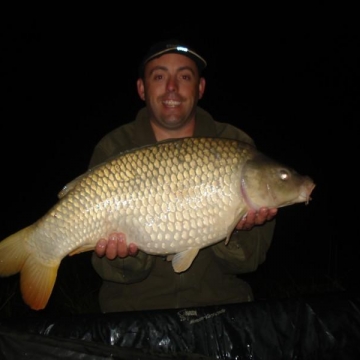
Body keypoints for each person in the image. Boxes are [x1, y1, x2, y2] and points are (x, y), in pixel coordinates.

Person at [89, 39, 278, 313]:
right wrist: (124, 258)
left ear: (200, 88)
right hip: (134, 312)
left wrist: (235, 229)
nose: (172, 87)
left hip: (222, 307)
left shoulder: (236, 145)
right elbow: (107, 270)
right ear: (142, 88)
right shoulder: (114, 148)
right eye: (159, 76)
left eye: (185, 76)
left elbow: (250, 262)